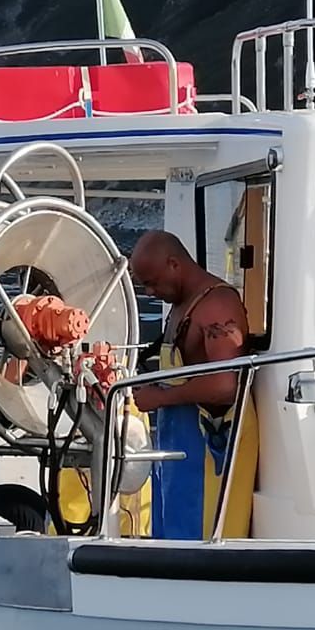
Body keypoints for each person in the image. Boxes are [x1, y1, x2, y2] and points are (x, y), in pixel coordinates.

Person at [128, 230, 258, 539]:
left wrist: (161, 398)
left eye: (152, 282)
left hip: (211, 451)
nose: (149, 292)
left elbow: (227, 384)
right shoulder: (180, 305)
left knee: (205, 538)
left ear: (174, 264)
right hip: (181, 450)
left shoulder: (217, 306)